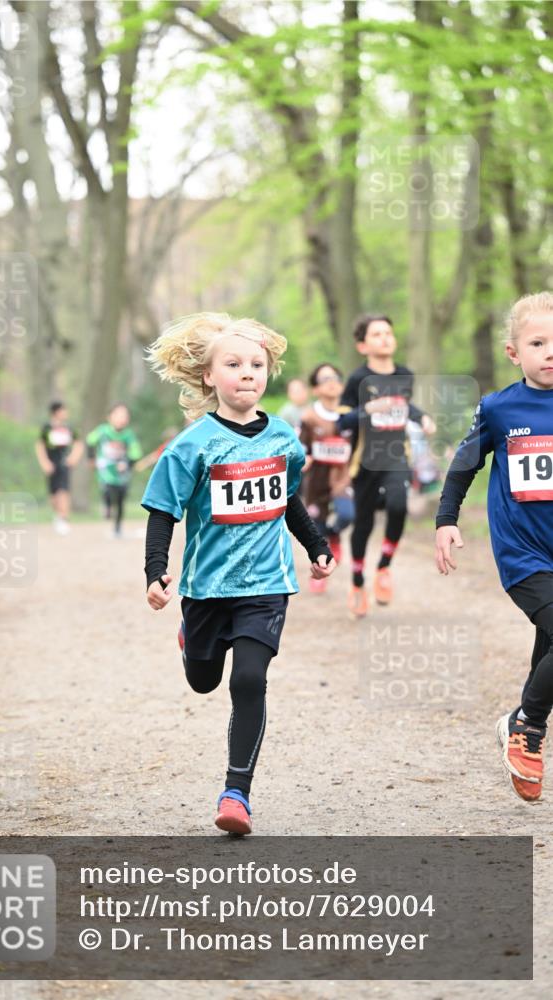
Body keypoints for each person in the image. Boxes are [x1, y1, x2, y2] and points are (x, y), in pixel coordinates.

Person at [141, 312, 335, 835]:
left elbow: (288, 499)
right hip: (206, 586)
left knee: (249, 680)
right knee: (204, 681)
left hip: (267, 586)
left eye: (257, 364)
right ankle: (192, 642)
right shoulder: (192, 445)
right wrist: (155, 571)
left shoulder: (284, 438)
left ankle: (236, 794)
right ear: (209, 377)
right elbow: (164, 511)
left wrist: (316, 545)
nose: (247, 372)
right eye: (233, 364)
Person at [435, 292, 553, 802]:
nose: (550, 351)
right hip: (524, 555)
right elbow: (464, 466)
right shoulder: (499, 409)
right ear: (513, 352)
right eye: (538, 342)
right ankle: (527, 727)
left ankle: (521, 728)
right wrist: (445, 521)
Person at [340, 314, 435, 618]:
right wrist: (368, 408)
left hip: (396, 454)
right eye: (376, 334)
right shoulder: (357, 379)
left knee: (398, 505)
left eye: (388, 333)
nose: (384, 338)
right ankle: (357, 582)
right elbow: (341, 419)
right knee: (364, 524)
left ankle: (383, 567)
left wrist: (422, 418)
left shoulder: (405, 375)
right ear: (362, 345)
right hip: (365, 459)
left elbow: (405, 407)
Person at [299, 363, 354, 587]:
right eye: (325, 379)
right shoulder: (309, 417)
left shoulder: (350, 415)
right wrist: (304, 458)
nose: (332, 382)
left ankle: (335, 535)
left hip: (342, 478)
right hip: (316, 480)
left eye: (336, 377)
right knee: (317, 526)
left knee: (347, 515)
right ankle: (320, 572)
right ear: (315, 389)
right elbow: (300, 447)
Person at [86, 403, 142, 537]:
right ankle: (107, 505)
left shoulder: (128, 435)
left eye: (125, 415)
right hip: (106, 470)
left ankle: (117, 528)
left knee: (121, 498)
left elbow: (136, 452)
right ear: (109, 417)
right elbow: (89, 441)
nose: (122, 418)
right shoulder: (102, 431)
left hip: (122, 472)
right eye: (118, 415)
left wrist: (127, 463)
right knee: (107, 489)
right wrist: (91, 459)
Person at [35, 401, 84, 534]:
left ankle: (64, 518)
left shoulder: (69, 428)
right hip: (51, 463)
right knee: (53, 494)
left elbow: (79, 443)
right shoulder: (47, 428)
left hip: (64, 463)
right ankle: (57, 515)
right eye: (63, 410)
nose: (66, 413)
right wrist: (44, 462)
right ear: (56, 412)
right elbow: (40, 446)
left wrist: (73, 458)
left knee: (63, 491)